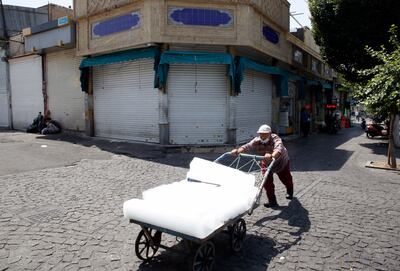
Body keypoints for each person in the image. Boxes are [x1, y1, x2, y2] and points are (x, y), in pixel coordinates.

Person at [230, 124, 294, 207]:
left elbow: (279, 149)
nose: (262, 136)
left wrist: (272, 155)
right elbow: (247, 146)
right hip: (266, 162)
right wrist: (238, 151)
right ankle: (272, 201)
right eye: (261, 134)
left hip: (280, 161)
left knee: (285, 178)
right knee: (266, 182)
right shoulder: (257, 140)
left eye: (265, 134)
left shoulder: (276, 139)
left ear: (269, 133)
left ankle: (290, 190)